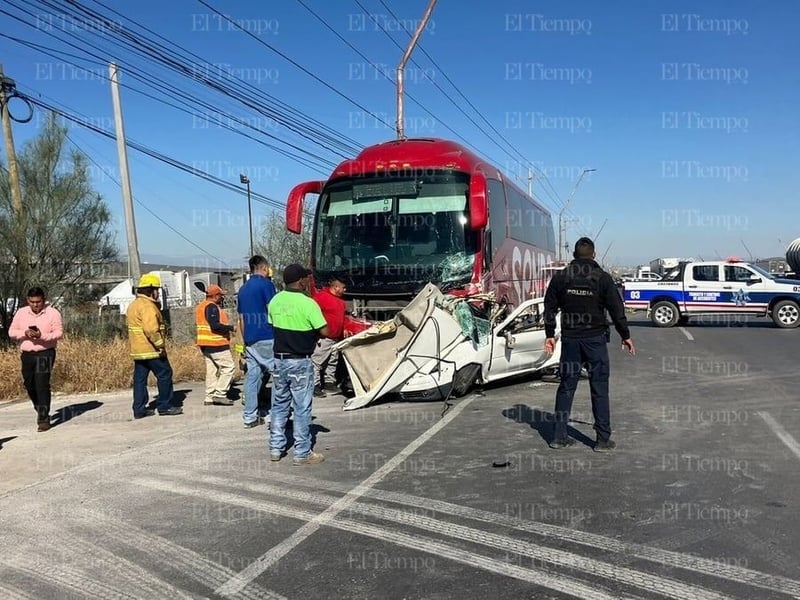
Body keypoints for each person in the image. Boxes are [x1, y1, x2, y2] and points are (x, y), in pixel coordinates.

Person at [543, 237, 635, 451]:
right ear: (594, 254)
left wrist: (549, 334)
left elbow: (549, 307)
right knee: (599, 388)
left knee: (566, 386)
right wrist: (625, 335)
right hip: (595, 341)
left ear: (574, 255)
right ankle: (602, 440)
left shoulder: (561, 277)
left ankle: (558, 436)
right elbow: (617, 309)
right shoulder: (602, 278)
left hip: (571, 341)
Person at [268, 264, 329, 465]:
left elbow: (272, 324)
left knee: (279, 405)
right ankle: (302, 452)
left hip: (279, 361)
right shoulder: (308, 303)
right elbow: (325, 330)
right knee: (301, 407)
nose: (307, 281)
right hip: (300, 362)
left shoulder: (275, 301)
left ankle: (276, 448)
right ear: (301, 280)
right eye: (305, 278)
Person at [126, 273, 182, 419]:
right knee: (165, 374)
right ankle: (165, 406)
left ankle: (139, 409)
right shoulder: (148, 306)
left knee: (140, 380)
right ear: (151, 290)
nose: (158, 292)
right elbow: (151, 329)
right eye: (157, 289)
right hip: (151, 349)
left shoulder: (133, 305)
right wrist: (160, 345)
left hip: (138, 351)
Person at [8, 287, 64, 431]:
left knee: (42, 384)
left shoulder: (53, 313)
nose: (35, 305)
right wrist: (25, 333)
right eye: (32, 302)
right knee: (29, 384)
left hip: (45, 353)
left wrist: (41, 336)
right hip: (27, 354)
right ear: (28, 300)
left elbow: (58, 333)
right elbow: (11, 332)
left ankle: (43, 419)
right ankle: (40, 408)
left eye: (38, 302)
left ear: (43, 300)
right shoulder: (21, 313)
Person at [237, 255, 277, 428]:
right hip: (267, 335)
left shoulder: (243, 289)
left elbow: (241, 318)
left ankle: (250, 416)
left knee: (252, 376)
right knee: (278, 375)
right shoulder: (266, 284)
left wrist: (244, 341)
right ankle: (278, 416)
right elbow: (272, 309)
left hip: (250, 338)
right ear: (264, 268)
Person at [195, 284, 235, 406]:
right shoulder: (212, 307)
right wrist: (231, 328)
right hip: (216, 343)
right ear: (216, 296)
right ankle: (220, 394)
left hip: (205, 344)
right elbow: (215, 325)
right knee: (228, 368)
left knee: (211, 370)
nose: (222, 298)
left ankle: (209, 396)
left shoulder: (201, 306)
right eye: (221, 296)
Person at [312, 276, 347, 397]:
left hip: (335, 338)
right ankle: (314, 386)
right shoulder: (321, 297)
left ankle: (329, 383)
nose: (345, 290)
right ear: (336, 287)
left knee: (332, 361)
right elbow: (313, 313)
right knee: (317, 361)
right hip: (324, 337)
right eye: (343, 287)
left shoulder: (341, 302)